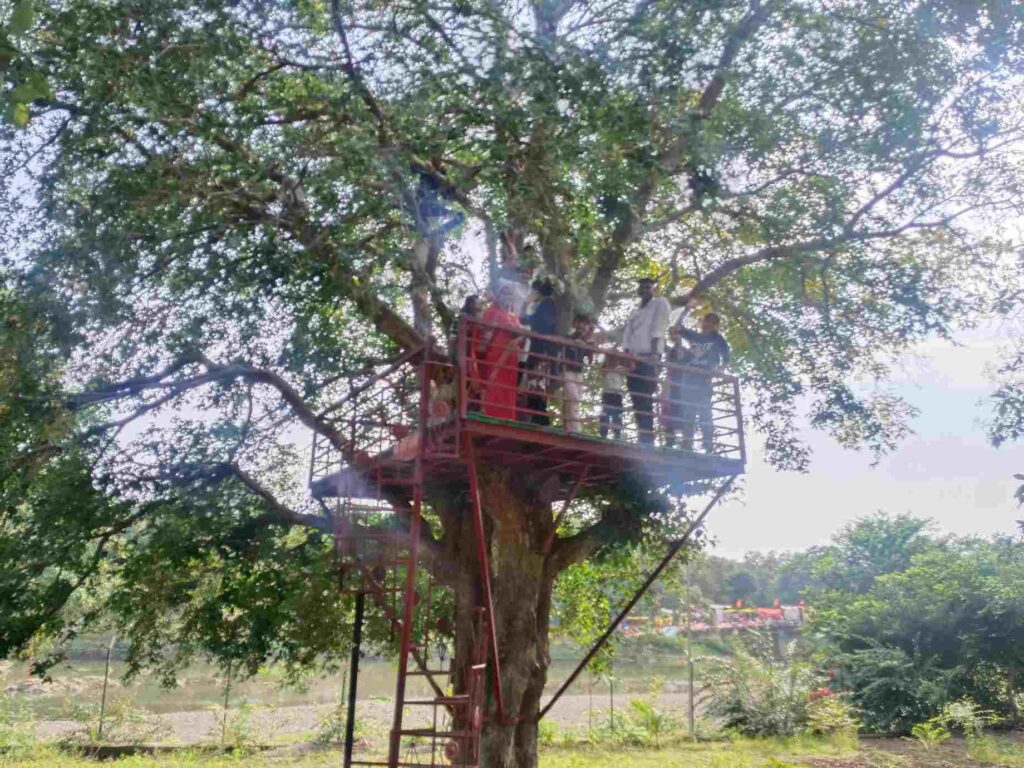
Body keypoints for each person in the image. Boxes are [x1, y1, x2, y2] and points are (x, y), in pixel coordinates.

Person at [672, 310, 731, 452]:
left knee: (705, 412)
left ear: (716, 325)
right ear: (703, 322)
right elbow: (677, 327)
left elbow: (726, 357)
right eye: (707, 321)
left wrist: (719, 371)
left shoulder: (717, 339)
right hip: (689, 377)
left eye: (713, 322)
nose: (709, 324)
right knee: (688, 412)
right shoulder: (694, 336)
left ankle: (708, 444)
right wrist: (686, 309)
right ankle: (687, 444)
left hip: (704, 379)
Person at [621, 277, 671, 444]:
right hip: (633, 359)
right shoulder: (635, 312)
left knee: (646, 398)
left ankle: (647, 438)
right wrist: (626, 355)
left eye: (648, 287)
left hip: (649, 357)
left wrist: (655, 355)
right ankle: (643, 435)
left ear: (653, 289)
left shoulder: (660, 303)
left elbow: (658, 327)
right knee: (636, 398)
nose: (644, 290)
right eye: (642, 287)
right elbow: (627, 335)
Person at [476, 284, 522, 420]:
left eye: (510, 295)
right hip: (496, 354)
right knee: (495, 385)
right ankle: (492, 417)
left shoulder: (514, 316)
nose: (507, 297)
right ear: (498, 296)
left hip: (512, 358)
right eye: (504, 293)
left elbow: (521, 335)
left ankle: (508, 419)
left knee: (509, 389)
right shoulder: (491, 312)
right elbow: (485, 335)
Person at [520, 279, 558, 425]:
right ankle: (537, 419)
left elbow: (539, 323)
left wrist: (526, 305)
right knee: (534, 387)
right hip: (539, 350)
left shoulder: (547, 304)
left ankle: (540, 421)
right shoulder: (545, 305)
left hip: (542, 351)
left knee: (537, 387)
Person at [562, 313, 594, 433]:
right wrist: (579, 341)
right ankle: (575, 429)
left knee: (575, 400)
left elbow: (590, 359)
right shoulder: (569, 336)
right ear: (574, 323)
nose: (582, 325)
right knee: (573, 397)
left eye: (584, 323)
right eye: (579, 322)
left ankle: (570, 428)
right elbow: (567, 343)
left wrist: (588, 341)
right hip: (568, 370)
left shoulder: (585, 339)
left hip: (579, 372)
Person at [599, 347, 632, 440]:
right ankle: (603, 434)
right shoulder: (605, 368)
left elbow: (631, 368)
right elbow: (601, 370)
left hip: (617, 395)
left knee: (617, 415)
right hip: (607, 394)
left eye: (614, 357)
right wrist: (609, 355)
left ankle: (617, 435)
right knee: (605, 414)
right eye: (610, 357)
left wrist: (624, 356)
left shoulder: (620, 368)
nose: (612, 359)